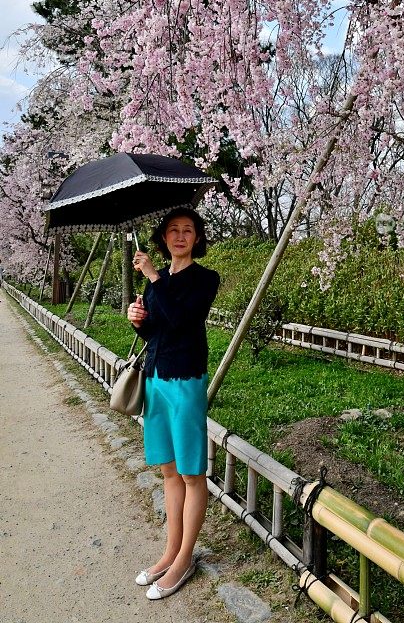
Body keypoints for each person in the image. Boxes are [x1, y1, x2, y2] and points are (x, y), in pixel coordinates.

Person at [127, 207, 220, 600]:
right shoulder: (158, 280)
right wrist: (137, 318)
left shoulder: (205, 279)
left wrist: (152, 278)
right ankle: (169, 551)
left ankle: (185, 558)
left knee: (191, 473)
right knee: (168, 471)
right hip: (156, 379)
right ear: (163, 238)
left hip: (186, 381)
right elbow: (158, 327)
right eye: (173, 231)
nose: (180, 236)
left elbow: (183, 318)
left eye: (188, 231)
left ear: (197, 238)